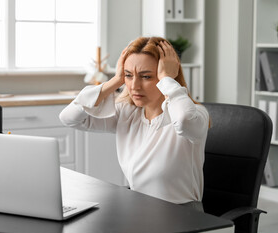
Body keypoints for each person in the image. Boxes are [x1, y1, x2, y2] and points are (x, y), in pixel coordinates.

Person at [59, 36, 209, 212]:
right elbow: (69, 118)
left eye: (146, 76)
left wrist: (168, 79)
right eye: (128, 76)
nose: (135, 86)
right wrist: (115, 81)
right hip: (140, 209)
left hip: (183, 215)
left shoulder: (196, 115)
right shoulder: (127, 113)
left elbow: (184, 121)